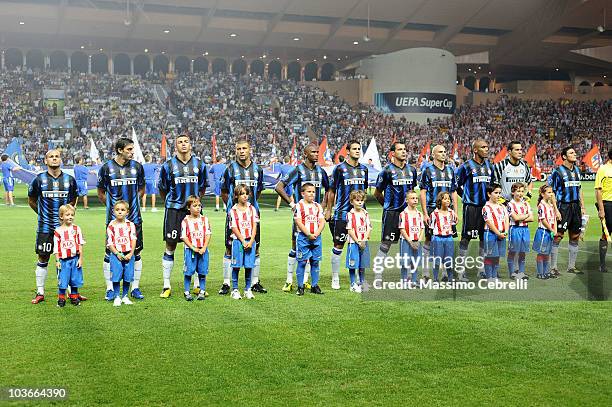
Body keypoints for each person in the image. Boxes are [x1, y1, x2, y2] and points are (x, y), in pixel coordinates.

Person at [157, 134, 208, 298]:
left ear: (190, 144)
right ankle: (166, 285)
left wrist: (195, 204)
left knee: (196, 244)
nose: (183, 144)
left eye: (186, 141)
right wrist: (172, 202)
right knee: (171, 246)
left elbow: (202, 188)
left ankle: (196, 285)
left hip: (193, 211)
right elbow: (162, 188)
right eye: (180, 142)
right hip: (174, 210)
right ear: (175, 146)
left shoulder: (200, 164)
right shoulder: (168, 166)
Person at [275, 144, 330, 292]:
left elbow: (329, 189)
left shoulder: (321, 171)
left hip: (315, 219)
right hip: (301, 217)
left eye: (317, 152)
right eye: (313, 152)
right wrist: (293, 204)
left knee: (313, 249)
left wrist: (325, 206)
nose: (316, 154)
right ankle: (289, 280)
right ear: (305, 154)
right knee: (296, 247)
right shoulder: (298, 170)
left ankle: (306, 281)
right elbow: (279, 186)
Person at [97, 138, 145, 301]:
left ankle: (135, 288)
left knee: (136, 253)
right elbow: (101, 192)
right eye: (129, 149)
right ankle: (110, 288)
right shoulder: (106, 168)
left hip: (135, 218)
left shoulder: (137, 167)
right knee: (109, 253)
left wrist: (132, 206)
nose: (132, 152)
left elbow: (141, 188)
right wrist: (114, 210)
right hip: (113, 221)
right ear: (119, 150)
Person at [28, 149, 78, 304]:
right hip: (45, 227)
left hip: (64, 230)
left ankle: (70, 291)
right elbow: (32, 200)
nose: (54, 159)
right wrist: (42, 214)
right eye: (51, 157)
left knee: (67, 258)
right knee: (43, 257)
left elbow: (73, 200)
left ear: (60, 160)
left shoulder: (69, 180)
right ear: (46, 161)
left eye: (57, 156)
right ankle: (40, 292)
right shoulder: (38, 179)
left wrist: (65, 218)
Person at [218, 139, 266, 295]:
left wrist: (250, 206)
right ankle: (226, 283)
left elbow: (258, 191)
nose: (242, 151)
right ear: (235, 150)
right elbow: (224, 191)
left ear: (249, 149)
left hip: (253, 215)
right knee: (229, 247)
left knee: (256, 246)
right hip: (235, 216)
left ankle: (254, 282)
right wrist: (233, 208)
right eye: (239, 148)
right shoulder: (230, 169)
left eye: (244, 148)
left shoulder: (258, 169)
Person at [327, 140, 368, 290]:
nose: (357, 151)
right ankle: (335, 277)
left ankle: (358, 279)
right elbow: (331, 190)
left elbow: (364, 191)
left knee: (360, 245)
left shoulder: (364, 169)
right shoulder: (339, 169)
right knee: (338, 245)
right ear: (348, 151)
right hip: (342, 214)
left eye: (359, 149)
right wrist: (329, 209)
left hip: (359, 216)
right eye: (355, 149)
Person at [373, 141, 418, 281]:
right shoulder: (386, 171)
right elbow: (377, 193)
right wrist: (387, 207)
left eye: (405, 149)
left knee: (409, 243)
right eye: (400, 149)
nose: (404, 152)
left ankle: (409, 275)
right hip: (392, 213)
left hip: (408, 215)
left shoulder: (412, 170)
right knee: (386, 244)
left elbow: (411, 191)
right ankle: (378, 274)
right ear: (393, 153)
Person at [492, 141, 533, 275]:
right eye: (516, 150)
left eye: (521, 149)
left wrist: (529, 195)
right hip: (503, 206)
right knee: (499, 238)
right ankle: (494, 270)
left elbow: (529, 181)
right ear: (509, 152)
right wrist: (500, 200)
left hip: (519, 206)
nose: (520, 152)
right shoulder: (500, 165)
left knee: (519, 242)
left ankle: (517, 270)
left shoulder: (524, 166)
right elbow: (493, 184)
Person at [418, 144, 458, 280]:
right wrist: (424, 213)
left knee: (447, 239)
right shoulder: (427, 170)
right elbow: (422, 193)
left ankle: (446, 273)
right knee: (429, 240)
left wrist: (456, 211)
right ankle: (425, 272)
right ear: (433, 155)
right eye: (440, 152)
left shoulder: (450, 171)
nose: (443, 154)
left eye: (445, 152)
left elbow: (453, 192)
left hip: (448, 212)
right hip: (432, 209)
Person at [455, 139, 493, 280]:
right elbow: (456, 185)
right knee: (466, 238)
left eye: (487, 147)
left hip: (486, 208)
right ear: (475, 150)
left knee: (484, 238)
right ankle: (460, 270)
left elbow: (492, 186)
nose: (486, 149)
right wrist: (465, 197)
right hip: (471, 208)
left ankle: (481, 269)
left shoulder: (490, 165)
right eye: (483, 147)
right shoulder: (466, 166)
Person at [548, 147, 586, 275]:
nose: (575, 154)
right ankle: (553, 267)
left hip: (576, 207)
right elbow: (551, 192)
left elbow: (579, 189)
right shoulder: (557, 172)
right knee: (558, 235)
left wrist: (583, 207)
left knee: (575, 236)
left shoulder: (577, 170)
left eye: (575, 152)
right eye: (571, 153)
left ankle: (571, 266)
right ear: (564, 156)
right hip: (563, 207)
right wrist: (555, 209)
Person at [293, 183, 326, 295]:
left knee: (315, 261)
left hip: (316, 237)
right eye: (309, 191)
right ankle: (300, 286)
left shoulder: (318, 206)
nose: (312, 194)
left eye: (313, 192)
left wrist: (316, 233)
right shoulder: (299, 206)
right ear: (302, 193)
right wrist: (308, 234)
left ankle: (314, 285)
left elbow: (322, 221)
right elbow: (298, 221)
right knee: (302, 262)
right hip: (303, 238)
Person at [228, 185, 258, 300]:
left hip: (250, 241)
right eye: (242, 194)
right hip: (238, 242)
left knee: (249, 266)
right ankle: (235, 289)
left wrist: (251, 241)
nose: (245, 196)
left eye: (246, 193)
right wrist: (243, 241)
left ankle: (247, 289)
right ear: (236, 196)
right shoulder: (233, 211)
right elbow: (234, 227)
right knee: (236, 266)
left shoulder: (252, 209)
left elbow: (255, 225)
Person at [53, 204, 85, 307]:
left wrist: (80, 258)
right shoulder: (58, 231)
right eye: (67, 215)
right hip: (63, 261)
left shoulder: (77, 229)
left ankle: (74, 297)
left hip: (75, 259)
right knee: (63, 280)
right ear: (61, 216)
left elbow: (80, 244)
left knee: (75, 280)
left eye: (72, 215)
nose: (70, 217)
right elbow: (56, 247)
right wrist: (57, 261)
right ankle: (61, 299)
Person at [106, 200, 137, 307]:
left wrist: (131, 253)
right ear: (113, 211)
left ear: (127, 212)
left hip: (128, 254)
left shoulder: (130, 225)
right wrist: (116, 253)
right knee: (116, 276)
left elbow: (133, 239)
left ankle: (125, 296)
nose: (120, 212)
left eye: (122, 210)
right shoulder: (111, 225)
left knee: (128, 276)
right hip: (116, 255)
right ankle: (117, 296)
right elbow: (109, 242)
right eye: (117, 210)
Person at [180, 196, 211, 301]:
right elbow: (184, 237)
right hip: (190, 251)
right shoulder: (185, 221)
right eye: (195, 206)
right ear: (189, 208)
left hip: (203, 250)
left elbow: (208, 234)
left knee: (202, 271)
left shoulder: (205, 219)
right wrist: (193, 247)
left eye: (199, 205)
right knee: (189, 271)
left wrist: (204, 248)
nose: (198, 208)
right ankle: (187, 291)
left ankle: (202, 291)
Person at [345, 190, 372, 293]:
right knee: (353, 264)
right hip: (353, 243)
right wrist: (358, 241)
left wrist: (364, 240)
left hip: (364, 242)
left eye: (361, 200)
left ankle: (362, 282)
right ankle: (352, 284)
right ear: (352, 202)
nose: (360, 202)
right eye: (357, 200)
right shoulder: (350, 214)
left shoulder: (365, 213)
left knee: (362, 264)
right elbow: (350, 229)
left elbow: (368, 228)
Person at [482, 184, 509, 281]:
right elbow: (489, 222)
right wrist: (498, 233)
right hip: (491, 234)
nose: (498, 195)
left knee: (497, 256)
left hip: (501, 234)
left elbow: (506, 219)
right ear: (489, 194)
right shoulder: (486, 207)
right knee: (490, 256)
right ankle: (489, 277)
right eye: (496, 193)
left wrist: (505, 232)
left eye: (499, 193)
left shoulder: (502, 206)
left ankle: (494, 276)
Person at [506, 182, 533, 279]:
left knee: (522, 252)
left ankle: (521, 272)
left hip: (525, 229)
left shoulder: (526, 203)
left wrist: (521, 217)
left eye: (522, 191)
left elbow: (532, 218)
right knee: (513, 251)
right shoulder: (510, 204)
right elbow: (515, 218)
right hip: (515, 229)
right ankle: (512, 272)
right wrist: (525, 216)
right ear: (513, 192)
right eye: (518, 191)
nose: (520, 193)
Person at [429, 192, 457, 282]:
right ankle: (436, 279)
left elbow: (453, 224)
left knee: (449, 260)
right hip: (438, 238)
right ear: (440, 201)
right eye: (445, 199)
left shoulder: (451, 212)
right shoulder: (434, 214)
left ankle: (450, 278)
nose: (447, 200)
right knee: (437, 260)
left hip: (449, 238)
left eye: (449, 199)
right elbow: (431, 228)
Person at [398, 190, 425, 284]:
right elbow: (402, 229)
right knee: (405, 263)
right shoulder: (403, 214)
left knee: (415, 262)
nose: (415, 200)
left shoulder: (419, 214)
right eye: (412, 198)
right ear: (406, 200)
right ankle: (404, 282)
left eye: (416, 198)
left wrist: (419, 241)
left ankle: (414, 281)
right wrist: (410, 241)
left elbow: (422, 228)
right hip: (406, 241)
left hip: (417, 241)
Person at [533, 185, 557, 279]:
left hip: (550, 232)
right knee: (541, 253)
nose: (551, 194)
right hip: (543, 231)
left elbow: (554, 218)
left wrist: (555, 230)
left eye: (552, 192)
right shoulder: (541, 205)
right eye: (549, 192)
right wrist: (551, 229)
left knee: (547, 253)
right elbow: (543, 220)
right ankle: (540, 273)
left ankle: (546, 272)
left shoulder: (551, 205)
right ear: (542, 194)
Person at [595, 147, 612, 273]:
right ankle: (602, 264)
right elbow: (598, 190)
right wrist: (601, 209)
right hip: (608, 204)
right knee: (606, 234)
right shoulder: (603, 169)